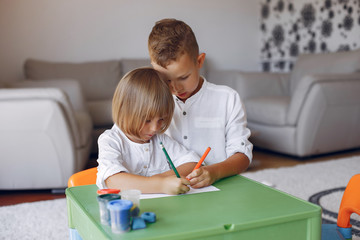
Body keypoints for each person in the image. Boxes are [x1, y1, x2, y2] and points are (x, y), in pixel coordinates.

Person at [148, 18, 253, 188]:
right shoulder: (151, 102)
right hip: (166, 192)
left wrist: (214, 172)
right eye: (166, 80)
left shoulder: (227, 98)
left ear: (199, 61)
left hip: (219, 189)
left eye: (183, 77)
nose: (175, 87)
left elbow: (242, 155)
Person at [96, 67, 199, 195]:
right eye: (147, 120)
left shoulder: (160, 140)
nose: (155, 128)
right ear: (124, 111)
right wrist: (161, 184)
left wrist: (160, 179)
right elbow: (113, 180)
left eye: (161, 119)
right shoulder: (111, 140)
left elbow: (192, 162)